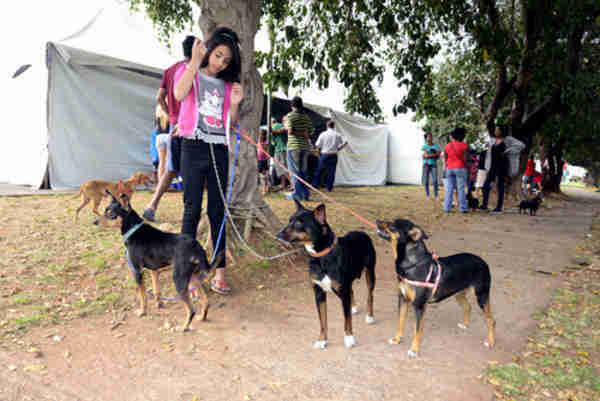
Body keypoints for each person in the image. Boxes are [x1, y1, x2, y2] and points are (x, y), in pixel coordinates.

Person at [174, 27, 244, 295]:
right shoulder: (190, 72)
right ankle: (188, 273)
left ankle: (220, 272)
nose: (220, 63)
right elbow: (179, 95)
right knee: (191, 210)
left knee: (217, 212)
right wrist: (194, 61)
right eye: (218, 56)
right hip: (192, 147)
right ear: (209, 51)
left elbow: (231, 121)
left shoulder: (227, 86)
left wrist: (235, 103)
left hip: (218, 150)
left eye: (226, 61)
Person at [143, 36, 195, 222]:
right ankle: (189, 212)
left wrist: (170, 113)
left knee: (171, 168)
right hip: (190, 126)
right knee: (191, 169)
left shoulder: (170, 70)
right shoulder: (194, 69)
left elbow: (159, 97)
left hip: (174, 125)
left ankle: (152, 205)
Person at [284, 96, 314, 201]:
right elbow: (311, 131)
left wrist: (299, 133)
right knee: (303, 171)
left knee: (295, 171)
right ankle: (305, 194)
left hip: (294, 147)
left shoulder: (290, 116)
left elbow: (290, 131)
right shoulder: (306, 117)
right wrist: (304, 134)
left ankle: (296, 194)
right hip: (305, 147)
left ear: (292, 105)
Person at [480, 125, 510, 213]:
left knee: (500, 187)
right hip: (493, 167)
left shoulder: (505, 143)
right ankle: (484, 205)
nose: (495, 131)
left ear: (501, 131)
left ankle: (499, 208)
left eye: (497, 129)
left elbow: (505, 158)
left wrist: (506, 171)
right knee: (485, 186)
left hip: (501, 168)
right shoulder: (495, 141)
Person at [312, 120, 347, 192]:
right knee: (331, 172)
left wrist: (317, 153)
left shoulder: (323, 134)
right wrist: (339, 148)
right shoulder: (337, 134)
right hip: (334, 155)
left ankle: (315, 185)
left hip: (325, 154)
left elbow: (317, 145)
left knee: (319, 170)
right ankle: (329, 188)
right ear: (334, 126)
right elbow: (345, 142)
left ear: (327, 126)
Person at [443, 127, 469, 213]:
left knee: (449, 189)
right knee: (461, 188)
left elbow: (445, 159)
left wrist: (448, 166)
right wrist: (467, 168)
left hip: (449, 168)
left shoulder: (447, 146)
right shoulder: (464, 145)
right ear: (461, 135)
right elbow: (465, 159)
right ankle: (463, 208)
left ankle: (447, 208)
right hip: (460, 168)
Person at [270, 117, 289, 190]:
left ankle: (292, 184)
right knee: (282, 167)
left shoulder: (274, 126)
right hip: (281, 149)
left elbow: (273, 142)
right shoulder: (280, 125)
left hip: (280, 149)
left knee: (283, 167)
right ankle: (283, 184)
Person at [154, 104, 171, 182]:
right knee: (169, 162)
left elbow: (155, 125)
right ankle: (167, 183)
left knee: (161, 162)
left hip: (159, 137)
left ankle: (161, 182)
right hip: (168, 136)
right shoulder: (170, 108)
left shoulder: (158, 109)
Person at [421, 132, 440, 199]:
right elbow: (425, 156)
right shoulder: (424, 146)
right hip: (426, 164)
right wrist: (434, 155)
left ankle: (436, 195)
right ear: (426, 138)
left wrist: (429, 155)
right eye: (428, 137)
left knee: (435, 180)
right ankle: (427, 195)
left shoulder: (436, 146)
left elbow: (438, 156)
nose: (430, 138)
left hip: (433, 165)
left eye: (431, 136)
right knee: (426, 180)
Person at [257, 128, 270, 194]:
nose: (260, 136)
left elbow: (265, 148)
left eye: (261, 134)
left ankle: (265, 188)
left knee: (264, 175)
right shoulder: (257, 142)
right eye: (259, 134)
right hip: (259, 160)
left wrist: (260, 142)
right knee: (261, 175)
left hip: (264, 160)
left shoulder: (265, 143)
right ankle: (264, 188)